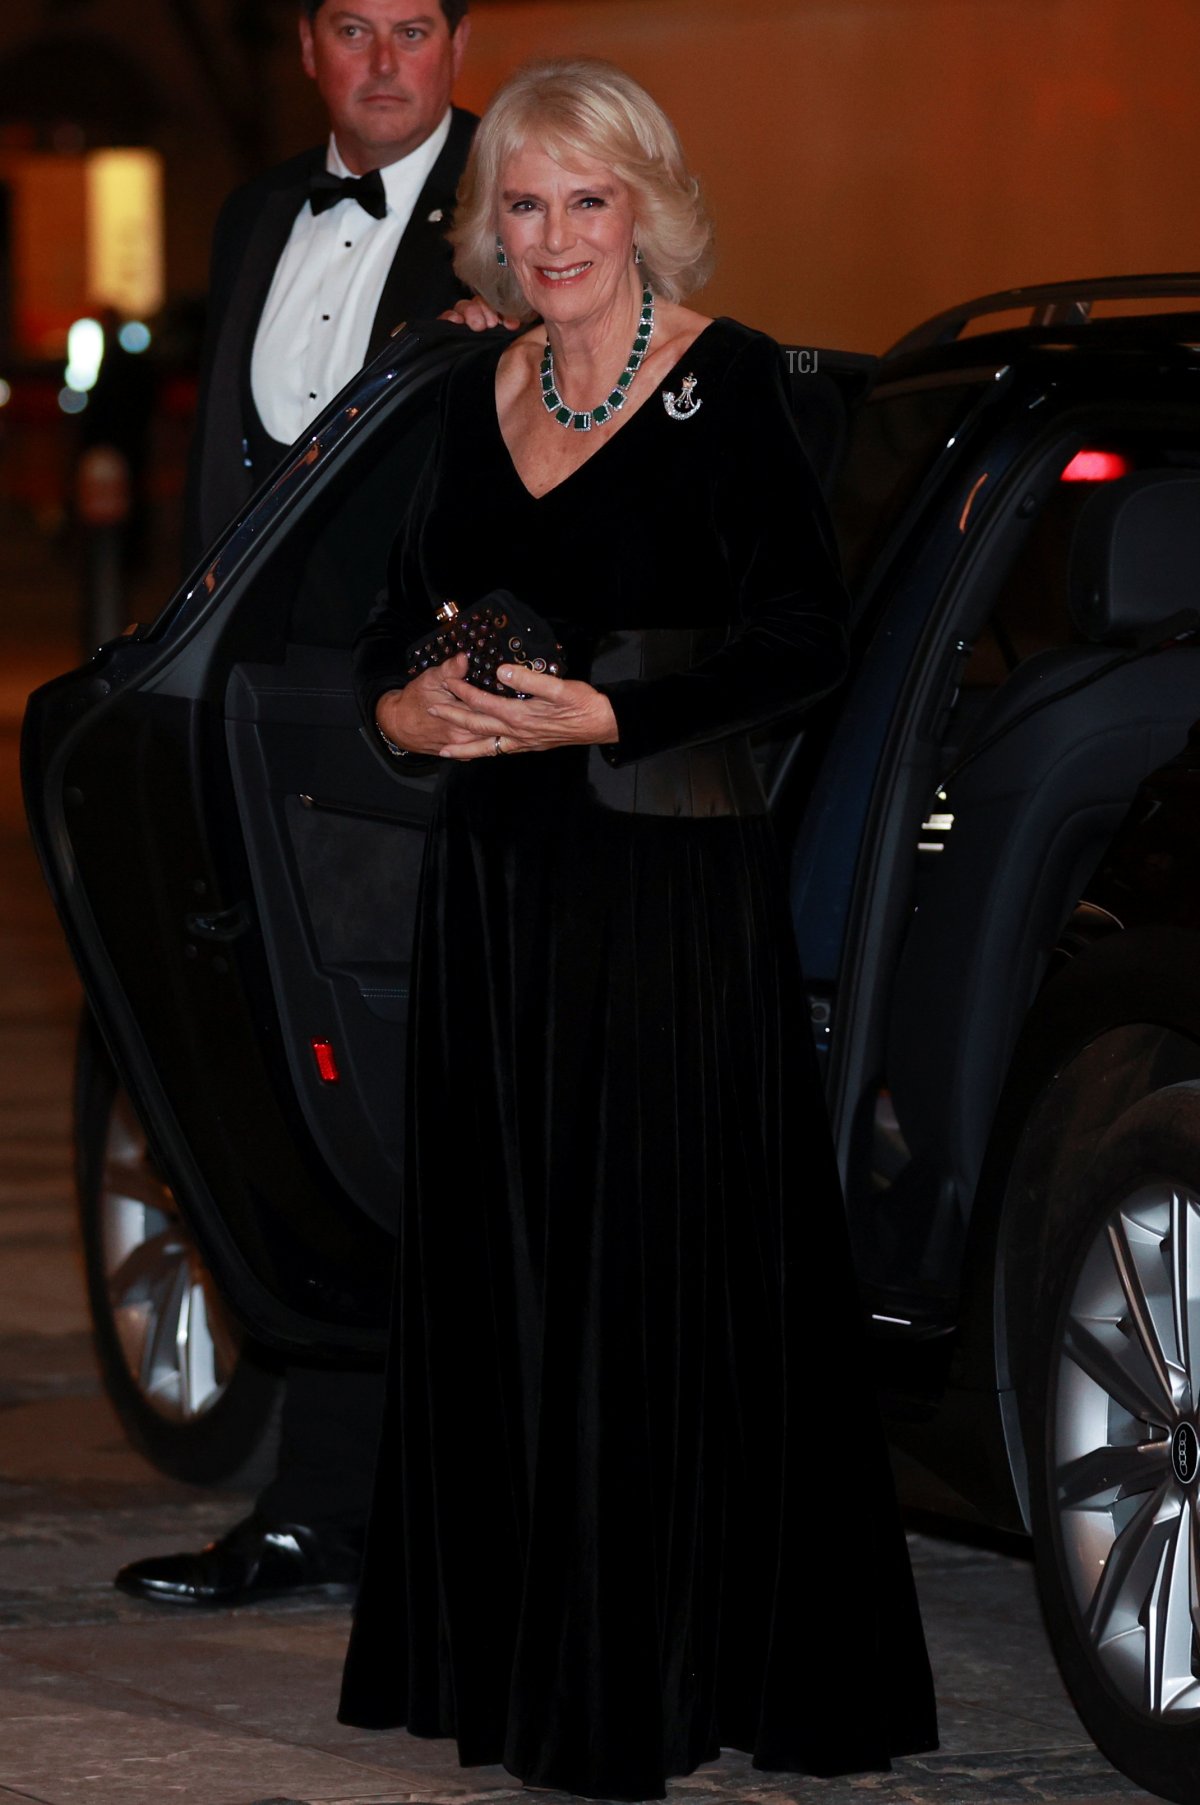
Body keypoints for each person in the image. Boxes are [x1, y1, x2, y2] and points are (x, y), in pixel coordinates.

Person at [337, 56, 938, 1803]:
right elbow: (389, 630)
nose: (550, 238)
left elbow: (803, 639)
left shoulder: (730, 384)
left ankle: (658, 1673)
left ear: (645, 207)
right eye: (520, 206)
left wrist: (611, 714)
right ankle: (526, 1661)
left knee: (646, 1286)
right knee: (512, 1276)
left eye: (583, 201)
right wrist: (405, 718)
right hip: (497, 909)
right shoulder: (471, 391)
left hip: (664, 904)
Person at [115, 0, 477, 1611]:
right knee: (279, 1106)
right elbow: (224, 480)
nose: (386, 59)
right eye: (354, 26)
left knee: (425, 1123)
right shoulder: (259, 209)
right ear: (312, 49)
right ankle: (311, 1507)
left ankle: (446, 1512)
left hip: (433, 751)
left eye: (416, 26)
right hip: (253, 729)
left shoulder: (525, 207)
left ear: (461, 47)